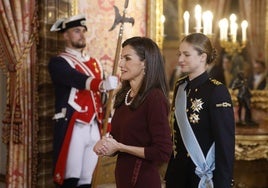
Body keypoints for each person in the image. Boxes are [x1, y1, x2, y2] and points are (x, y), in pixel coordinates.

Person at [48, 14, 118, 188]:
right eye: (76, 31)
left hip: (94, 126)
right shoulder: (58, 62)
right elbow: (75, 78)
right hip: (74, 124)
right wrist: (101, 84)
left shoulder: (95, 63)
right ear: (65, 35)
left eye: (83, 31)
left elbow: (102, 99)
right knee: (70, 177)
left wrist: (107, 124)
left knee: (88, 179)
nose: (82, 35)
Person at [93, 36, 173, 188]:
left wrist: (120, 147)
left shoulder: (154, 98)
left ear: (145, 63)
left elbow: (163, 152)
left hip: (143, 180)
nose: (121, 64)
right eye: (122, 58)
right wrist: (105, 146)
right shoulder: (124, 96)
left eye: (127, 59)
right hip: (123, 179)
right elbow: (119, 140)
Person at [165, 33, 235, 188]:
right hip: (178, 174)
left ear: (202, 57)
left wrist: (223, 183)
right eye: (180, 54)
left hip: (202, 176)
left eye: (186, 54)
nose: (180, 59)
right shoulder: (180, 86)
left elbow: (225, 143)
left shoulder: (217, 91)